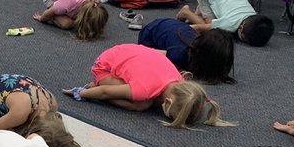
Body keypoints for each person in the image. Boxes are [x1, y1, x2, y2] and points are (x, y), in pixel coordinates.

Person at [65, 43, 234, 128]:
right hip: (105, 65)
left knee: (146, 100)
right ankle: (92, 85)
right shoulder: (145, 90)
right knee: (142, 104)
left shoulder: (180, 82)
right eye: (170, 115)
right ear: (167, 102)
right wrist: (81, 93)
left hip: (131, 51)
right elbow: (104, 92)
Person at [176, 0, 274, 46]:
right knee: (212, 30)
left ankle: (200, 11)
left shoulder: (252, 13)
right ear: (241, 27)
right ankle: (186, 12)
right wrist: (182, 30)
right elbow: (197, 27)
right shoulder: (230, 24)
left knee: (219, 19)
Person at [137, 18, 236, 84]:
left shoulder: (197, 46)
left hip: (171, 25)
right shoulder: (179, 54)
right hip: (149, 33)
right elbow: (147, 52)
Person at [33, 0, 108, 41]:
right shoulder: (67, 2)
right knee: (66, 24)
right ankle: (55, 16)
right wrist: (41, 18)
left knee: (72, 20)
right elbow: (49, 13)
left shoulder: (95, 1)